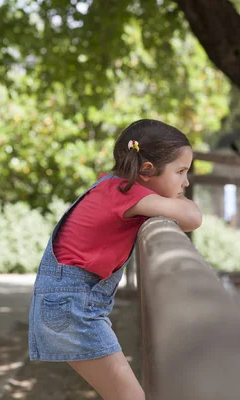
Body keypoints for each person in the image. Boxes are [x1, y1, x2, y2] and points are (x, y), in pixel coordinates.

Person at [28, 119, 202, 400]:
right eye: (180, 171)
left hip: (73, 303)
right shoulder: (126, 193)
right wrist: (183, 204)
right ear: (147, 170)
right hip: (74, 308)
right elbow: (193, 218)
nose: (186, 181)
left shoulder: (113, 186)